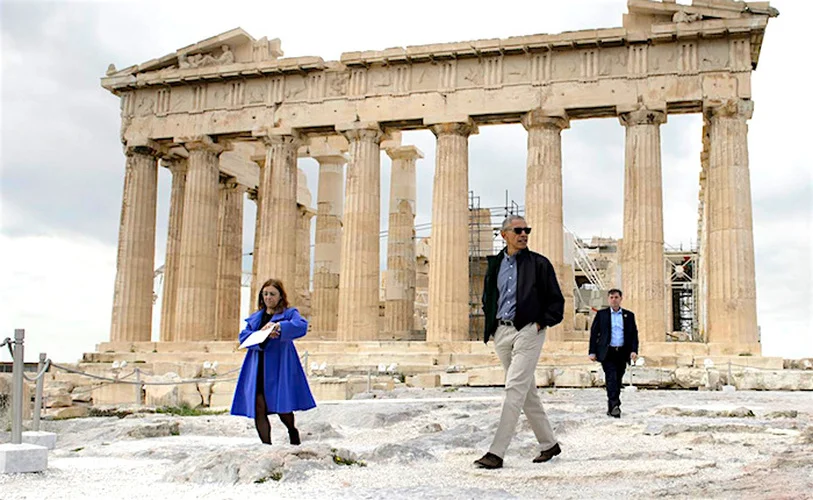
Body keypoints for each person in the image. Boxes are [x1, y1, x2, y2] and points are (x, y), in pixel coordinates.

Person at [474, 215, 565, 470]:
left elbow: (556, 301)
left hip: (528, 329)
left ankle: (496, 452)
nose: (524, 234)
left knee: (514, 387)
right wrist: (492, 325)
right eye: (518, 230)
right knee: (526, 391)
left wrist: (539, 323)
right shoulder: (495, 265)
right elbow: (488, 296)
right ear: (504, 234)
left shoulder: (539, 264)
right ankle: (549, 444)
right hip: (501, 332)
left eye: (527, 229)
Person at [231, 278, 316, 445]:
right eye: (265, 294)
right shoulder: (256, 318)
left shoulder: (289, 313)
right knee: (258, 406)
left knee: (282, 406)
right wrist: (261, 335)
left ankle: (292, 430)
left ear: (280, 296)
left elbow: (301, 326)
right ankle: (266, 446)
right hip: (258, 365)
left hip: (279, 365)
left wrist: (280, 327)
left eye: (272, 294)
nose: (268, 297)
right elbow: (244, 337)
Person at [588, 288, 639, 418]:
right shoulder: (601, 314)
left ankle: (612, 406)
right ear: (608, 299)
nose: (614, 300)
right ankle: (615, 406)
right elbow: (594, 333)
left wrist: (634, 350)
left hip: (622, 351)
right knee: (611, 378)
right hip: (608, 351)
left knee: (618, 379)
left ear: (621, 299)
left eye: (616, 297)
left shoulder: (629, 315)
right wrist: (592, 352)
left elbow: (633, 334)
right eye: (611, 297)